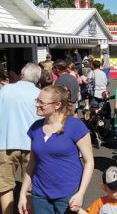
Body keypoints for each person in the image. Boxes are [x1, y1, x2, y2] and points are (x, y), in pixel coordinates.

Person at [18, 85, 94, 214]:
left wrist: (80, 193)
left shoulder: (76, 126)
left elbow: (89, 162)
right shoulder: (35, 128)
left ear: (57, 105)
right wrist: (23, 194)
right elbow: (32, 162)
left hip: (68, 194)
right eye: (37, 100)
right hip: (40, 194)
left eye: (41, 102)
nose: (37, 104)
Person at [0, 63, 41, 214]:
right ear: (37, 79)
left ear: (22, 75)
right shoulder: (40, 93)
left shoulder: (5, 90)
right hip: (32, 144)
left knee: (5, 186)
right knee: (29, 185)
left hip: (6, 142)